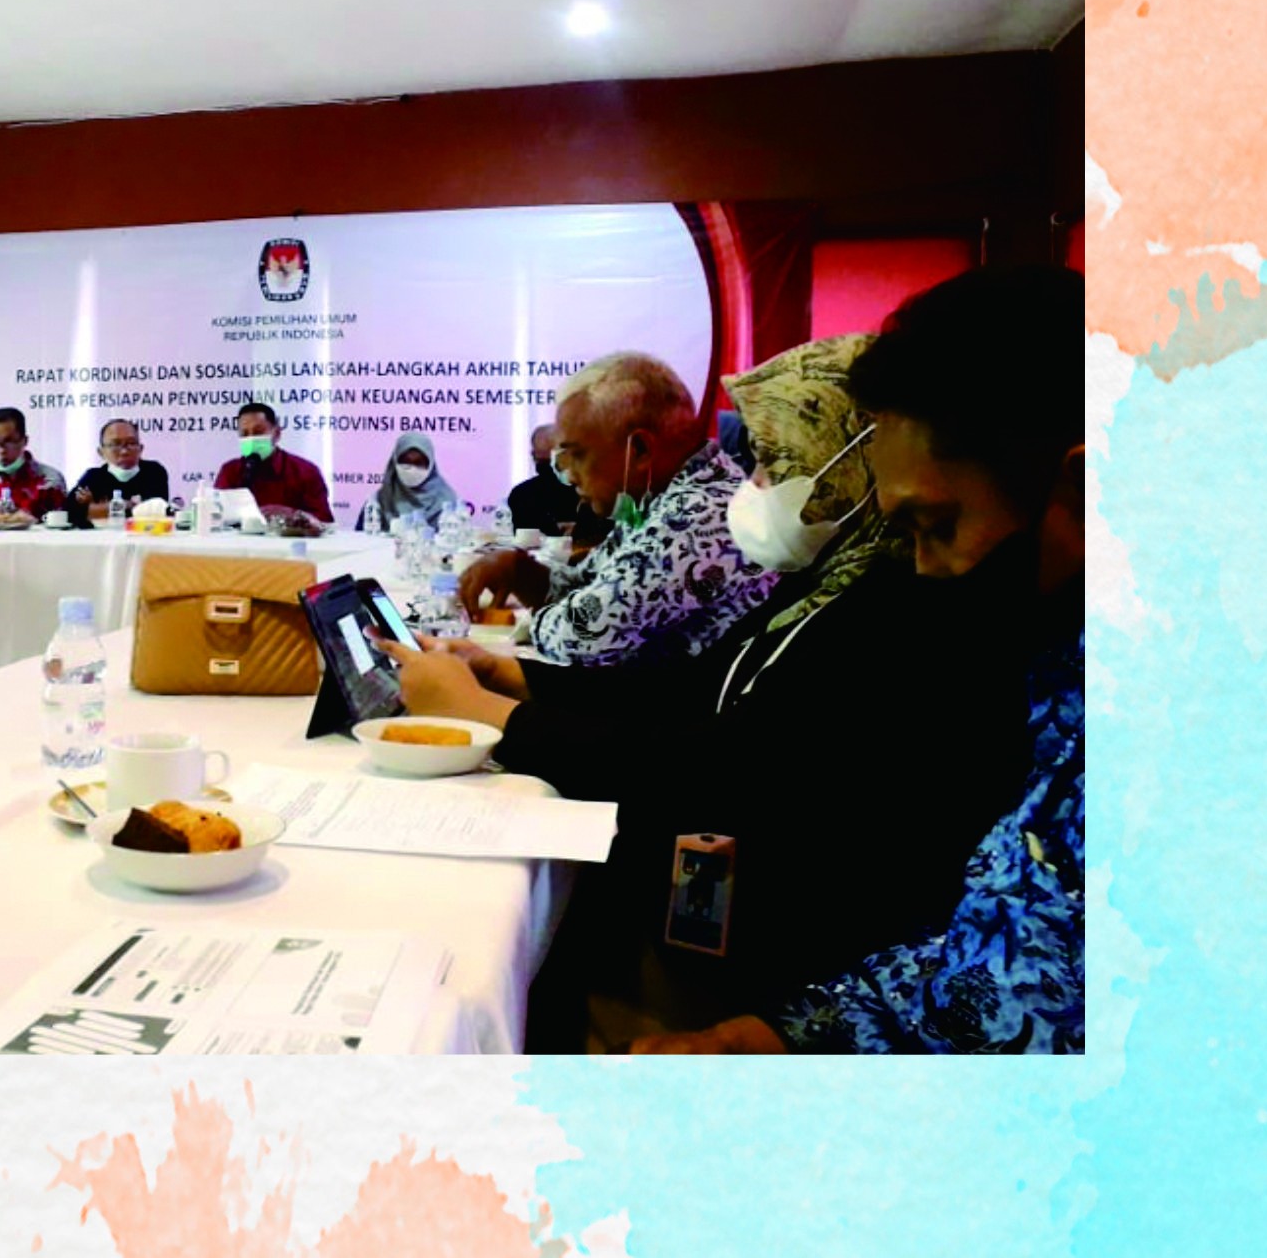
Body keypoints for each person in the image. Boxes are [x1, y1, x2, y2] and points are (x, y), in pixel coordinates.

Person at [380, 332, 1032, 1038]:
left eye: (773, 462)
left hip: (779, 944)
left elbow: (722, 762)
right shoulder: (828, 581)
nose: (753, 483)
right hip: (733, 896)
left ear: (850, 463)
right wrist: (516, 680)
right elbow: (692, 689)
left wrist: (494, 716)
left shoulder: (899, 607)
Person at [631, 264, 1084, 1054]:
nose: (923, 570)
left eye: (938, 525)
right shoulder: (1058, 676)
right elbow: (995, 940)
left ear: (1082, 489)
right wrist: (780, 1035)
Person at [460, 353, 775, 669]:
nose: (569, 476)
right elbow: (584, 584)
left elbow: (581, 636)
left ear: (639, 449)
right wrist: (520, 570)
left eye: (577, 455)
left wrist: (530, 620)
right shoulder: (653, 498)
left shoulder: (697, 515)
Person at [211, 402, 332, 523]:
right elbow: (216, 517)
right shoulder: (230, 471)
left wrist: (291, 514)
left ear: (277, 434)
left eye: (258, 432)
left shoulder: (305, 472)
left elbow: (324, 521)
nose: (251, 438)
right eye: (245, 434)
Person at [0, 407, 68, 517]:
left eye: (8, 441)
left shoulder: (50, 479)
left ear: (24, 441)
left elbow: (61, 519)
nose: (1, 450)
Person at [66, 418, 171, 524]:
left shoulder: (153, 472)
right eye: (115, 444)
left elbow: (156, 511)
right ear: (101, 452)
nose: (124, 451)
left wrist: (97, 508)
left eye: (131, 443)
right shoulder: (93, 476)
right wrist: (129, 506)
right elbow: (70, 512)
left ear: (141, 448)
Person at [356, 431, 463, 531]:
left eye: (419, 463)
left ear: (431, 465)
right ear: (394, 462)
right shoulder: (379, 501)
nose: (412, 469)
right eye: (405, 461)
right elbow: (360, 539)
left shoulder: (448, 503)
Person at [504, 424, 578, 536]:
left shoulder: (588, 492)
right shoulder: (522, 495)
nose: (552, 470)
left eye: (556, 461)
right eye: (545, 462)